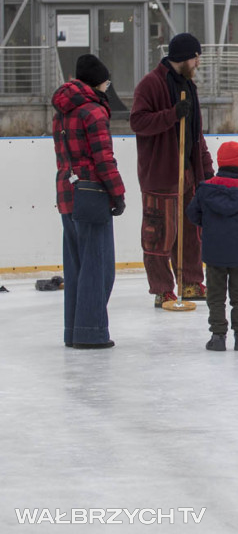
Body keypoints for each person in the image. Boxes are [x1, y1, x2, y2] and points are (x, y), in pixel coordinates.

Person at [130, 32, 214, 307]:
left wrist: (206, 170)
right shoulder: (151, 84)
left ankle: (190, 283)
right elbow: (138, 123)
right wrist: (171, 115)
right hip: (161, 174)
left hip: (188, 172)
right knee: (159, 234)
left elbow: (195, 133)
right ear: (186, 57)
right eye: (197, 56)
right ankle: (162, 288)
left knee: (191, 232)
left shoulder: (189, 86)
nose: (199, 62)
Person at [52, 54, 126, 349]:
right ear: (98, 82)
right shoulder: (93, 112)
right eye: (106, 82)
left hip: (67, 195)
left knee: (76, 267)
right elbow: (103, 158)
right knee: (99, 267)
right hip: (92, 194)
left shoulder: (61, 111)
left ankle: (74, 329)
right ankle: (92, 331)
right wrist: (117, 193)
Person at [186, 141, 238, 351]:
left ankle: (217, 337)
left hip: (214, 254)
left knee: (215, 296)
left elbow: (192, 214)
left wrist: (211, 225)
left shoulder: (205, 189)